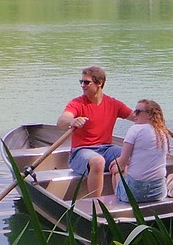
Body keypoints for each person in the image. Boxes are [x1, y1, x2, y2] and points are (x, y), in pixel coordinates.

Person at [57, 66, 133, 197]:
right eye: (81, 82)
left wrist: (154, 120)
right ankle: (96, 204)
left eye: (86, 82)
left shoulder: (113, 104)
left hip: (107, 149)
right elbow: (62, 121)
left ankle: (123, 196)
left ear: (100, 83)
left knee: (130, 155)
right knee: (98, 161)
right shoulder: (77, 103)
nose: (82, 85)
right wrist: (72, 121)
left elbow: (136, 117)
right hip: (80, 151)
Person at [111, 99, 171, 203]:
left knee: (116, 171)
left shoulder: (135, 130)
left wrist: (113, 166)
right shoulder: (162, 132)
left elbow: (121, 164)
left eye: (138, 111)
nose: (134, 114)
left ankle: (118, 203)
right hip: (158, 191)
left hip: (135, 193)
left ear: (149, 115)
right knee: (127, 168)